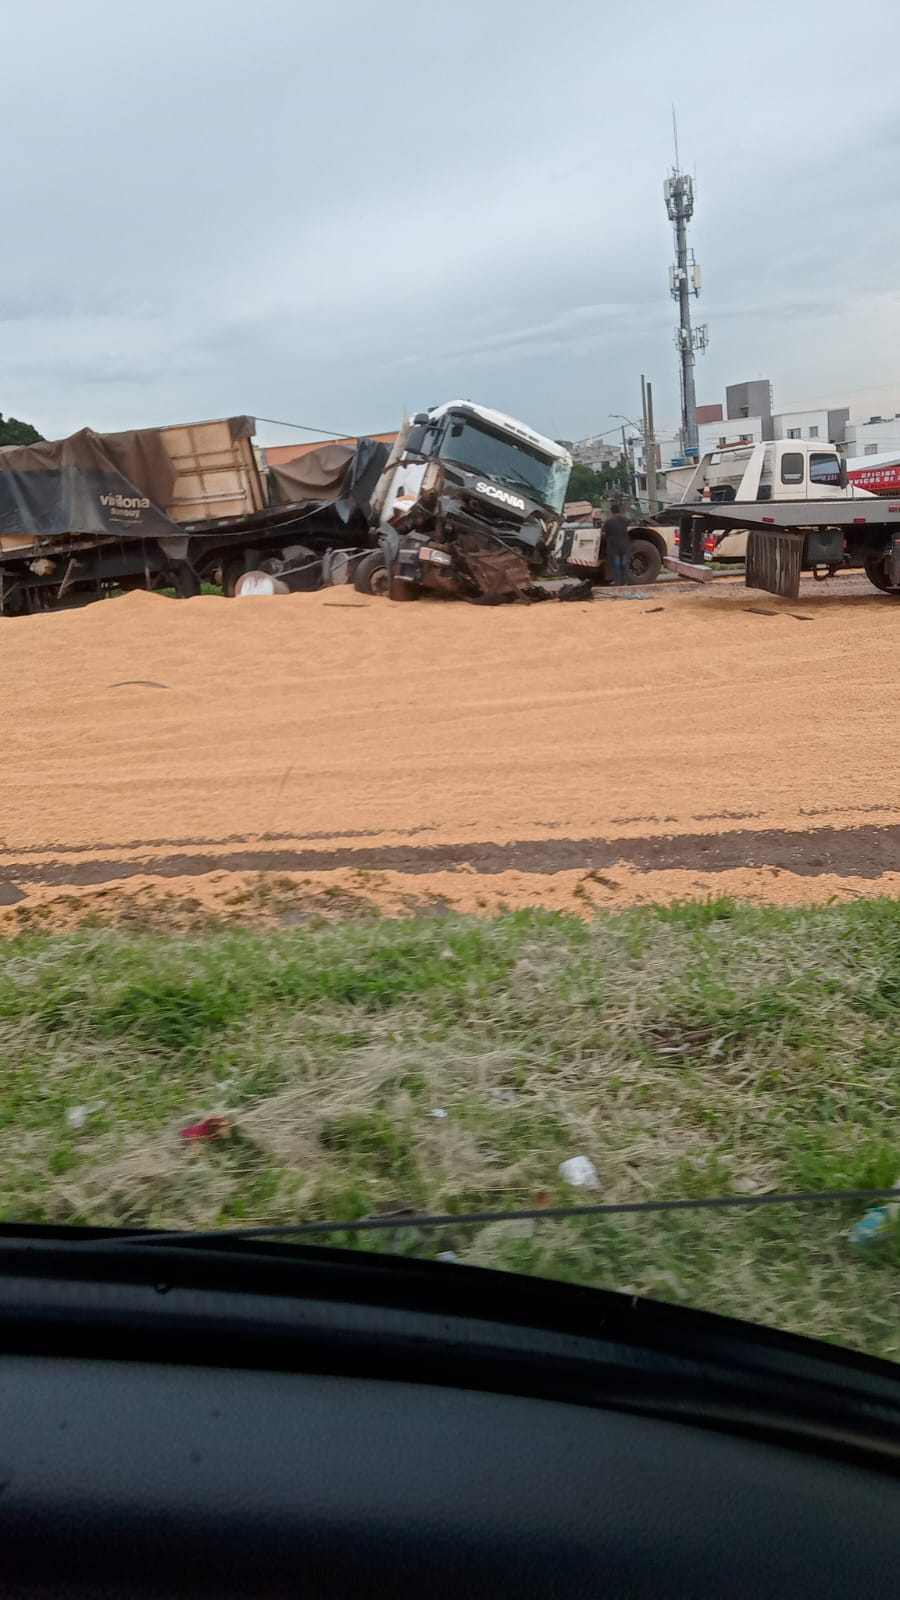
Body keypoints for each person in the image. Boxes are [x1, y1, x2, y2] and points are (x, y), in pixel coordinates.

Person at [602, 500, 631, 587]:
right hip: (624, 546)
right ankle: (625, 582)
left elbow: (603, 534)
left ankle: (618, 583)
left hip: (613, 547)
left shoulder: (608, 522)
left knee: (616, 565)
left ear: (611, 511)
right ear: (619, 511)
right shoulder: (625, 520)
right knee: (624, 565)